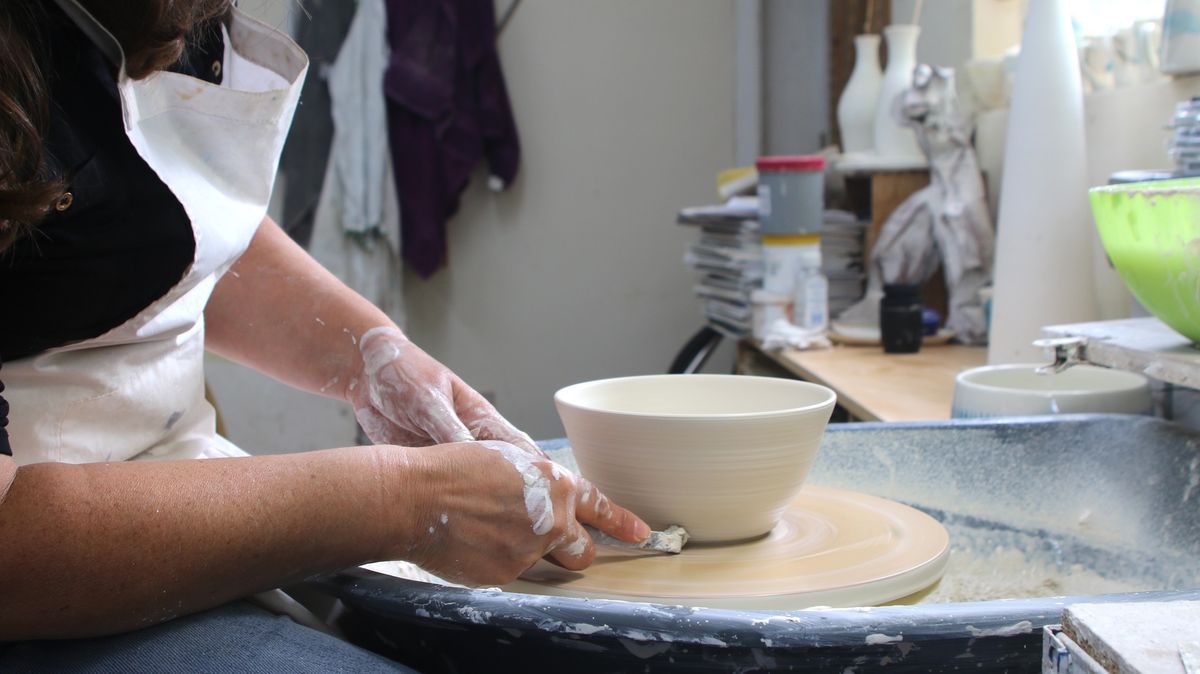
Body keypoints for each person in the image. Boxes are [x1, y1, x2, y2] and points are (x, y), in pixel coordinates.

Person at [0, 1, 649, 669]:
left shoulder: (163, 13)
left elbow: (163, 226)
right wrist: (411, 502)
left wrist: (370, 353)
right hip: (44, 565)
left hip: (165, 481)